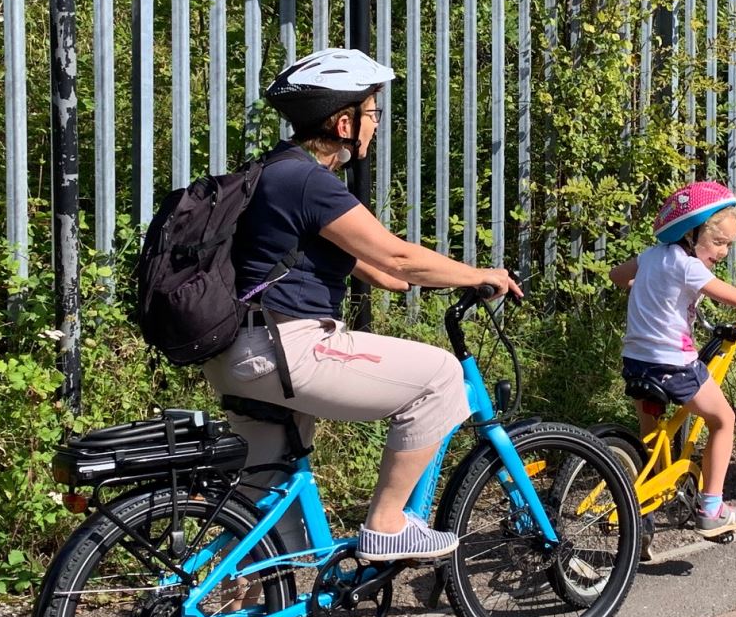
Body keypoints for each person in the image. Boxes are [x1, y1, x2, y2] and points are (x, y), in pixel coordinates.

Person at [202, 48, 520, 561]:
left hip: (242, 354)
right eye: (372, 113)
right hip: (287, 347)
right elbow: (395, 255)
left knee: (264, 511)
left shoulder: (272, 172)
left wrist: (426, 279)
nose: (375, 124)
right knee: (439, 376)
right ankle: (388, 524)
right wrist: (482, 275)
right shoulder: (309, 181)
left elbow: (371, 267)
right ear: (344, 122)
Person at [609, 182, 736, 540]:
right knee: (724, 419)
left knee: (652, 444)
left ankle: (643, 516)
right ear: (692, 234)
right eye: (720, 242)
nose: (724, 252)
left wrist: (646, 289)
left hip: (637, 361)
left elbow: (617, 276)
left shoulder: (650, 256)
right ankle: (712, 508)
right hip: (672, 365)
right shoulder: (688, 267)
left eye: (729, 244)